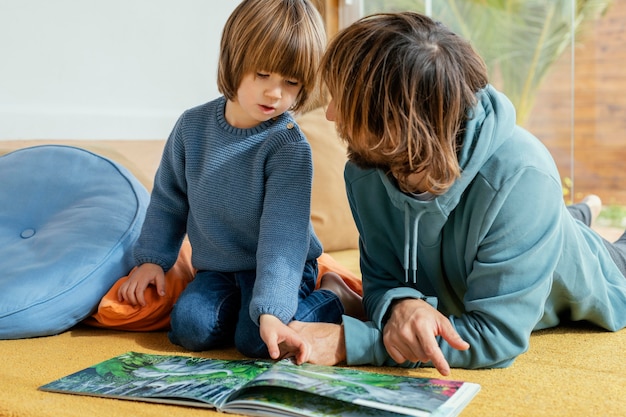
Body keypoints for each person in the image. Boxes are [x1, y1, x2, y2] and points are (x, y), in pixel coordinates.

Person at [287, 11, 626, 375]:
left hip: (603, 270)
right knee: (526, 224)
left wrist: (349, 342)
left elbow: (495, 336)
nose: (332, 116)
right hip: (498, 234)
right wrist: (401, 305)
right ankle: (581, 211)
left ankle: (576, 218)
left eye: (345, 102)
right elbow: (382, 280)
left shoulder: (522, 177)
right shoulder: (364, 171)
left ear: (396, 121)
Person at [118, 0, 362, 364]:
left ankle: (333, 294)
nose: (275, 94)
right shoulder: (191, 127)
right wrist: (152, 260)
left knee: (260, 343)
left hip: (281, 267)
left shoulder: (289, 147)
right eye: (262, 75)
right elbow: (169, 201)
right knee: (189, 328)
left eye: (290, 83)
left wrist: (270, 311)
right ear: (234, 61)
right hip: (217, 267)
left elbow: (283, 237)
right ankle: (250, 314)